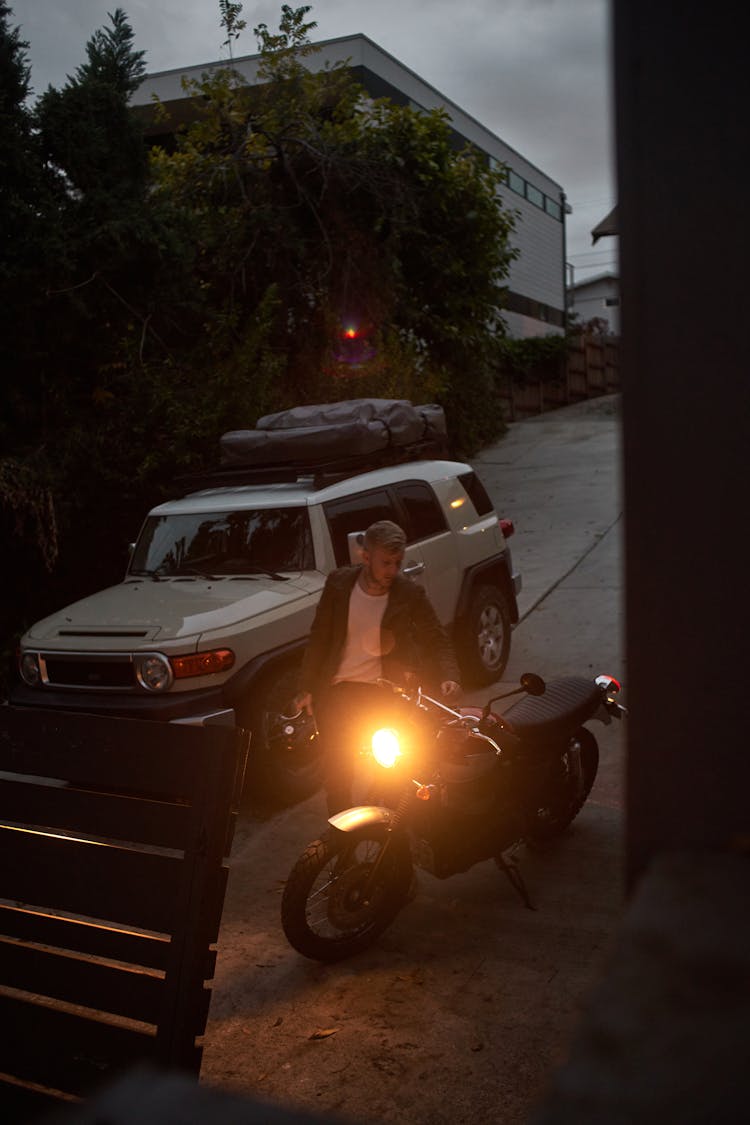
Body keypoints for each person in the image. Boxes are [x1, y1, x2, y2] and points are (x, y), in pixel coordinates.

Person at [295, 519, 461, 815]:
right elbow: (319, 637)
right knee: (339, 776)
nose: (392, 571)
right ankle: (341, 841)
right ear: (366, 556)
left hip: (386, 694)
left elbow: (437, 637)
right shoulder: (338, 584)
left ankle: (389, 838)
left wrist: (449, 675)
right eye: (386, 563)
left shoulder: (409, 594)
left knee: (392, 771)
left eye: (398, 563)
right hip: (337, 694)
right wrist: (307, 687)